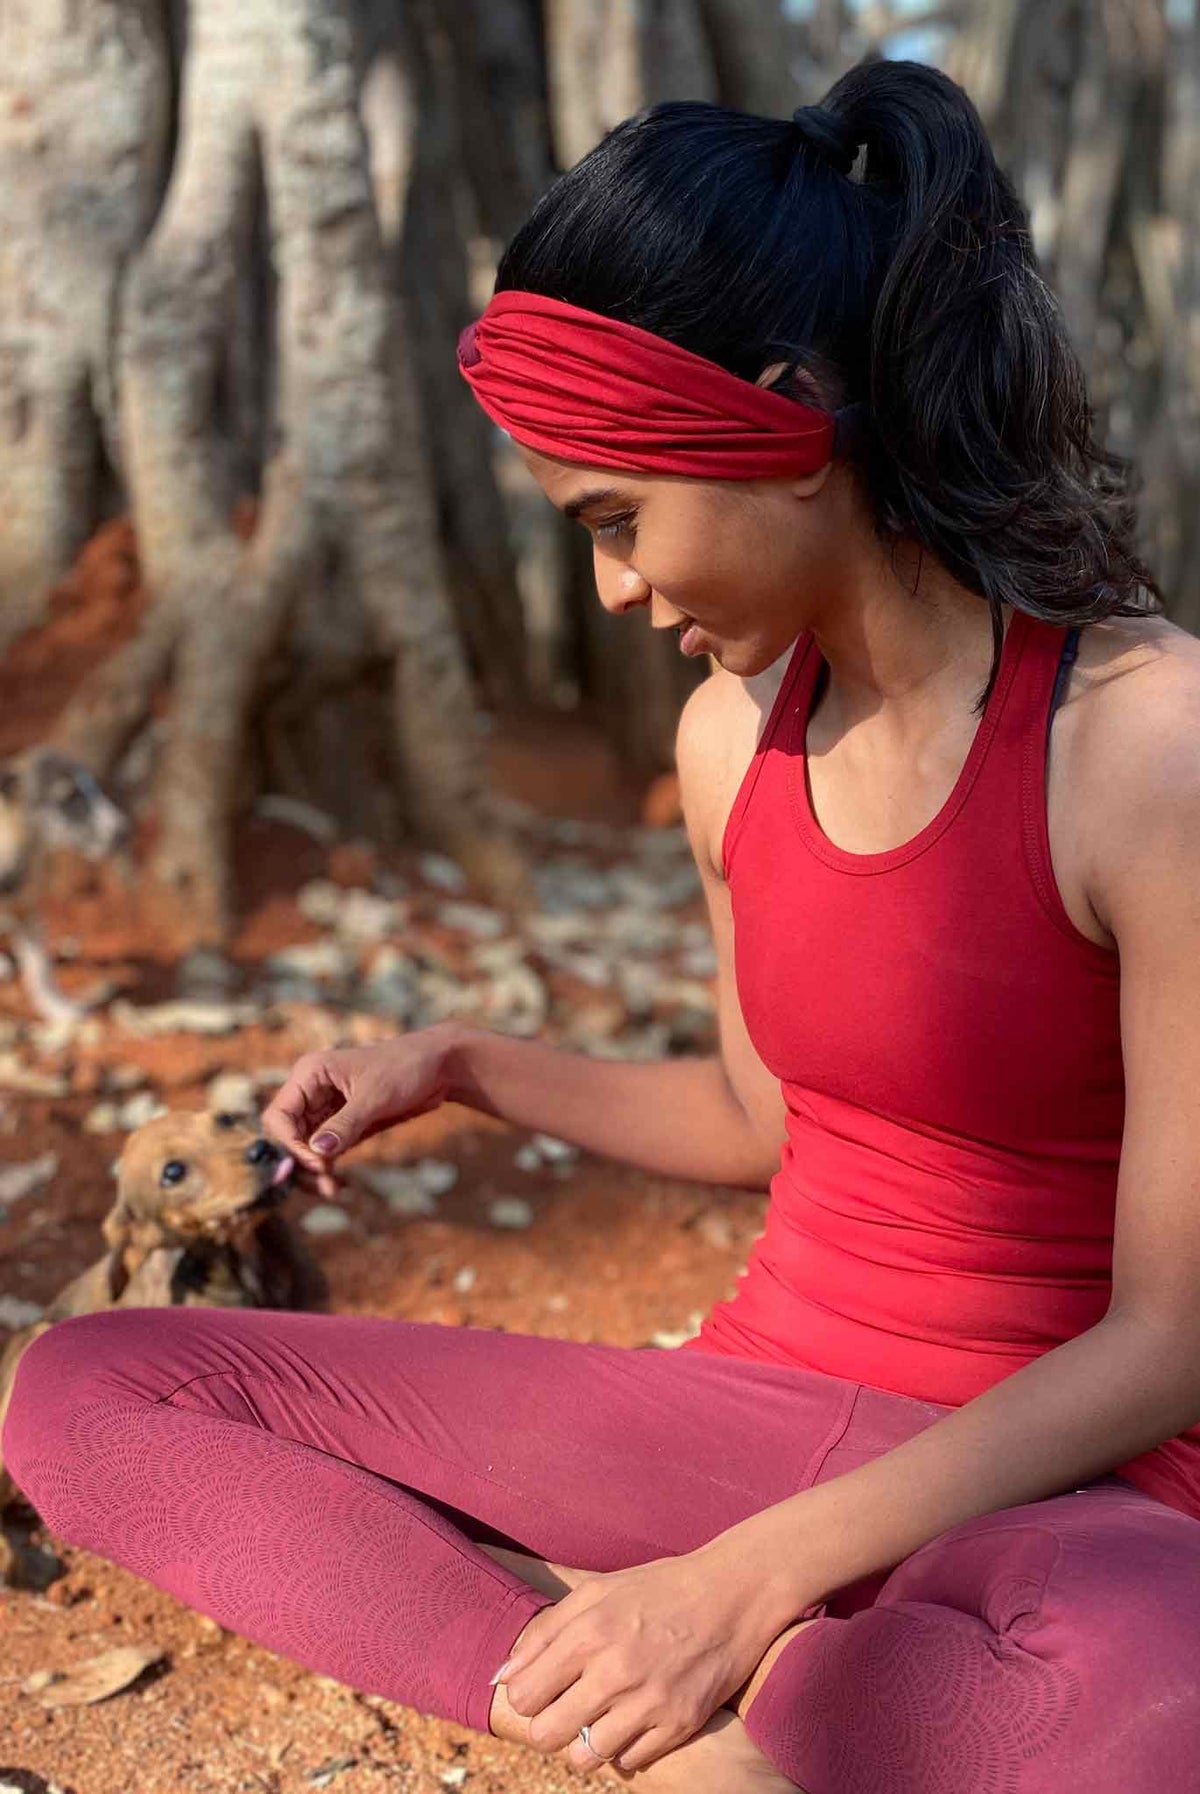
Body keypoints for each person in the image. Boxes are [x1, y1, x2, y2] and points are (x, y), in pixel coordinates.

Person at [6, 56, 1200, 1793]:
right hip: (754, 1416)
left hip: (1066, 1490)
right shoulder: (729, 745)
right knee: (88, 1385)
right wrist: (467, 1066)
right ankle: (716, 1723)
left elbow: (1169, 1338)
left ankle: (712, 1665)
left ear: (785, 421)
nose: (616, 590)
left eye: (619, 521)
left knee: (1155, 1705)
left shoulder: (1146, 747)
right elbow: (759, 1118)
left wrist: (741, 1581)